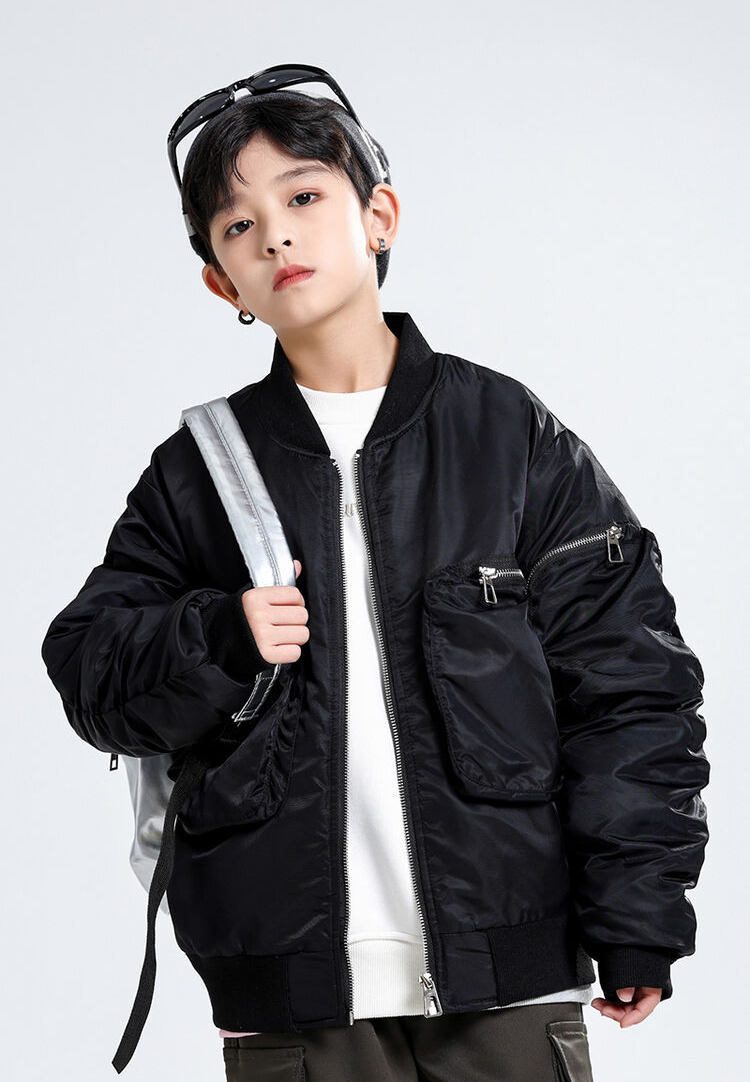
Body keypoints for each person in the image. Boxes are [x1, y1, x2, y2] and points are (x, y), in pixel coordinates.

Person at [40, 65, 710, 1082]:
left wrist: (638, 914)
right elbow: (89, 670)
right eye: (238, 226)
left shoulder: (510, 437)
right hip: (292, 997)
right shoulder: (199, 473)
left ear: (379, 215)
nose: (276, 236)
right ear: (222, 283)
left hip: (510, 981)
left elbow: (629, 684)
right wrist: (219, 636)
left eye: (304, 196)